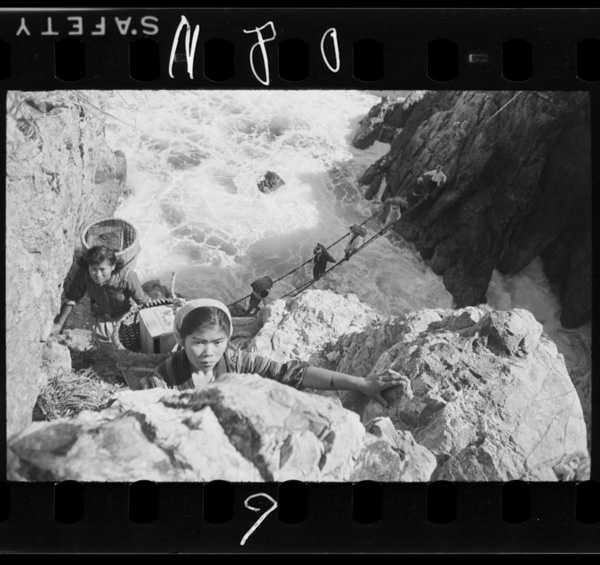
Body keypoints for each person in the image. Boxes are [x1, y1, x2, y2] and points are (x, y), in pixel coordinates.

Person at [138, 299, 405, 407]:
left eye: (218, 342)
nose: (209, 352)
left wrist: (360, 383)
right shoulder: (159, 382)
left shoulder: (234, 361)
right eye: (198, 342)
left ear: (228, 340)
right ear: (180, 339)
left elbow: (294, 374)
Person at [50, 245, 151, 354]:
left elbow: (143, 302)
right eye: (93, 269)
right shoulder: (84, 274)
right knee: (107, 344)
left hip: (123, 316)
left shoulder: (127, 276)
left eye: (102, 269)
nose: (98, 275)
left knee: (128, 344)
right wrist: (59, 323)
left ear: (113, 266)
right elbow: (71, 298)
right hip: (100, 315)